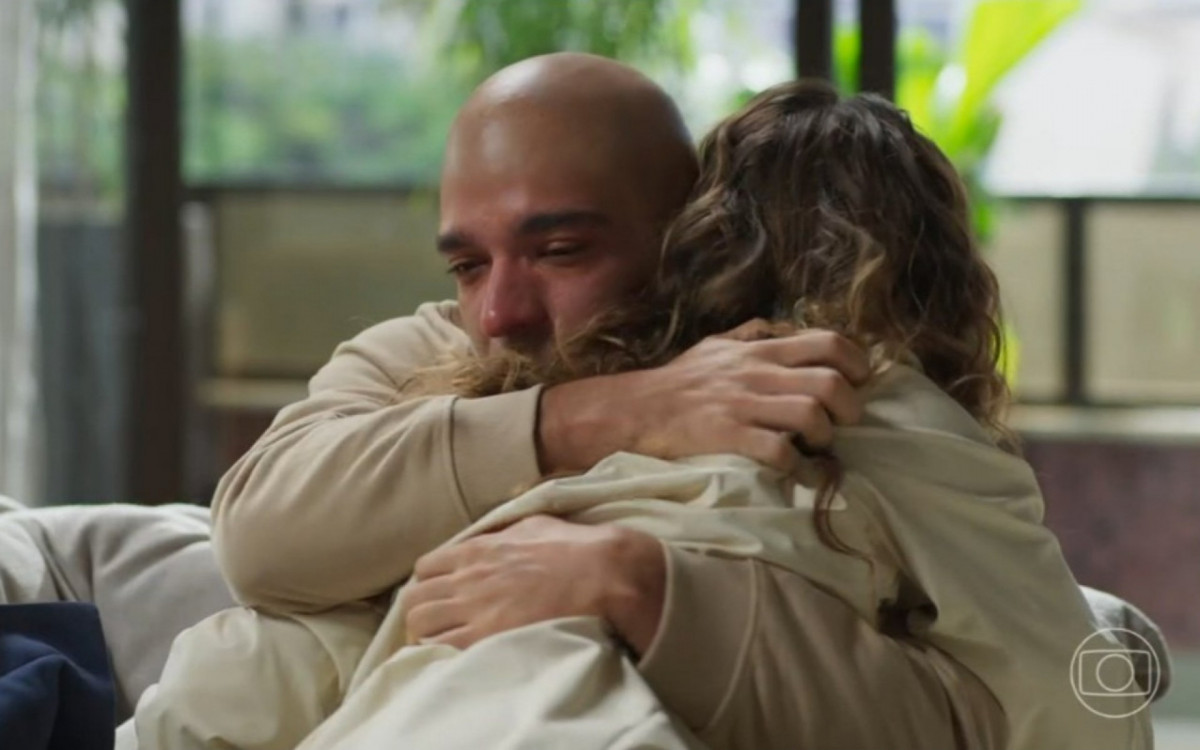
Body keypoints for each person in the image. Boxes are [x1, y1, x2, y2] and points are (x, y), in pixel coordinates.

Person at [123, 67, 1155, 750]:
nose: (500, 312)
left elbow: (1077, 694)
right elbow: (259, 537)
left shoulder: (817, 402)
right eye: (466, 261)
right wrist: (600, 414)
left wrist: (646, 591)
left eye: (561, 250)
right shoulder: (423, 353)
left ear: (690, 241)